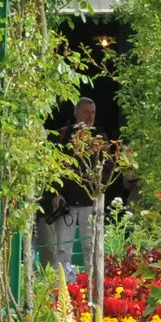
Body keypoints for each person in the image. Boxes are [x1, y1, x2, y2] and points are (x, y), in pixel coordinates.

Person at [38, 97, 104, 271]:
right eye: (86, 112)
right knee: (62, 249)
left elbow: (108, 167)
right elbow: (54, 166)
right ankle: (62, 290)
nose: (90, 116)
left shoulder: (100, 138)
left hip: (90, 202)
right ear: (76, 114)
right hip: (66, 202)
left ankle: (91, 288)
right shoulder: (64, 135)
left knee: (91, 248)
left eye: (93, 112)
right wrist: (56, 193)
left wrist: (99, 180)